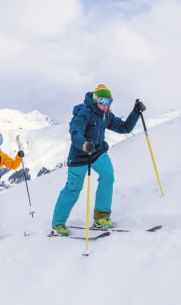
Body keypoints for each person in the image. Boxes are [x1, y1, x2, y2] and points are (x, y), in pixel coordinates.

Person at [50, 85, 145, 235]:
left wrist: (136, 112)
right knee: (73, 189)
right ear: (95, 100)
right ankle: (57, 222)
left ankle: (101, 216)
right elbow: (75, 132)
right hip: (79, 155)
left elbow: (125, 128)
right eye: (103, 101)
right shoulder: (84, 112)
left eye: (109, 101)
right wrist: (84, 144)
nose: (106, 105)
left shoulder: (106, 115)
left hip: (97, 152)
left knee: (108, 175)